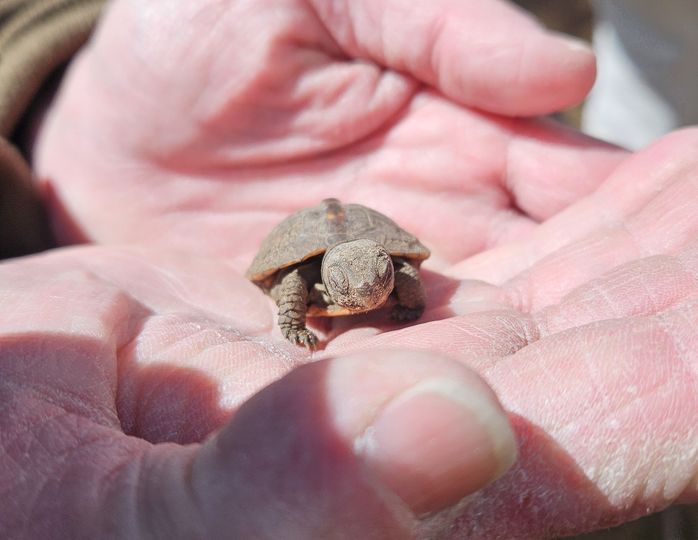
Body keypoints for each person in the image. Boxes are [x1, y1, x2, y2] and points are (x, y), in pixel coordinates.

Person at [0, 0, 696, 538]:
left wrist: (404, 301)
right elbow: (288, 284)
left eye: (387, 279)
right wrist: (293, 320)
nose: (382, 286)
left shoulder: (394, 270)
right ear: (337, 280)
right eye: (372, 282)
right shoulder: (307, 277)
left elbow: (406, 275)